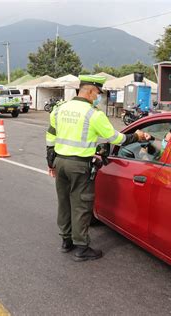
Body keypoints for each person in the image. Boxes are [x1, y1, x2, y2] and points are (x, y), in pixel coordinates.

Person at [45, 75, 151, 262]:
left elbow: (50, 136)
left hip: (60, 162)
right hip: (78, 165)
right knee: (81, 205)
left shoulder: (60, 109)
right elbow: (116, 139)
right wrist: (138, 136)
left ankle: (66, 241)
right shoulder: (93, 114)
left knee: (64, 202)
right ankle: (81, 247)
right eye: (98, 93)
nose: (98, 97)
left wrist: (50, 161)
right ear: (90, 91)